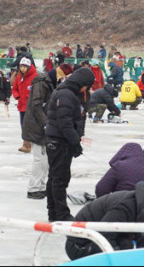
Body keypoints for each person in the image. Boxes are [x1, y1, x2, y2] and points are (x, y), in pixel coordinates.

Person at [65, 181, 144, 260]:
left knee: (141, 239)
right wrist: (117, 259)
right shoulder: (124, 207)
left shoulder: (139, 205)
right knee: (124, 246)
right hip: (78, 245)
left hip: (94, 238)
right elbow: (105, 234)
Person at [44, 67, 95, 222]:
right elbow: (65, 123)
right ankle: (61, 213)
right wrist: (75, 142)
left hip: (60, 139)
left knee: (56, 177)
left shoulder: (70, 93)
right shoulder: (65, 94)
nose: (87, 89)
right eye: (87, 85)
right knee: (59, 178)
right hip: (59, 141)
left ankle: (53, 212)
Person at [22, 71, 54, 199]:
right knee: (39, 159)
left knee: (44, 159)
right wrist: (45, 123)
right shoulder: (41, 83)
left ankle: (40, 186)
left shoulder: (48, 83)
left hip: (41, 125)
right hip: (36, 126)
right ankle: (34, 188)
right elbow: (36, 105)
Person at [12, 57, 38, 153]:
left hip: (31, 105)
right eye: (21, 67)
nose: (22, 69)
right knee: (23, 125)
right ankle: (26, 144)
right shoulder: (19, 76)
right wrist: (17, 96)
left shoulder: (35, 76)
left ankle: (29, 144)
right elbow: (14, 88)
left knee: (29, 125)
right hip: (21, 105)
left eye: (24, 67)